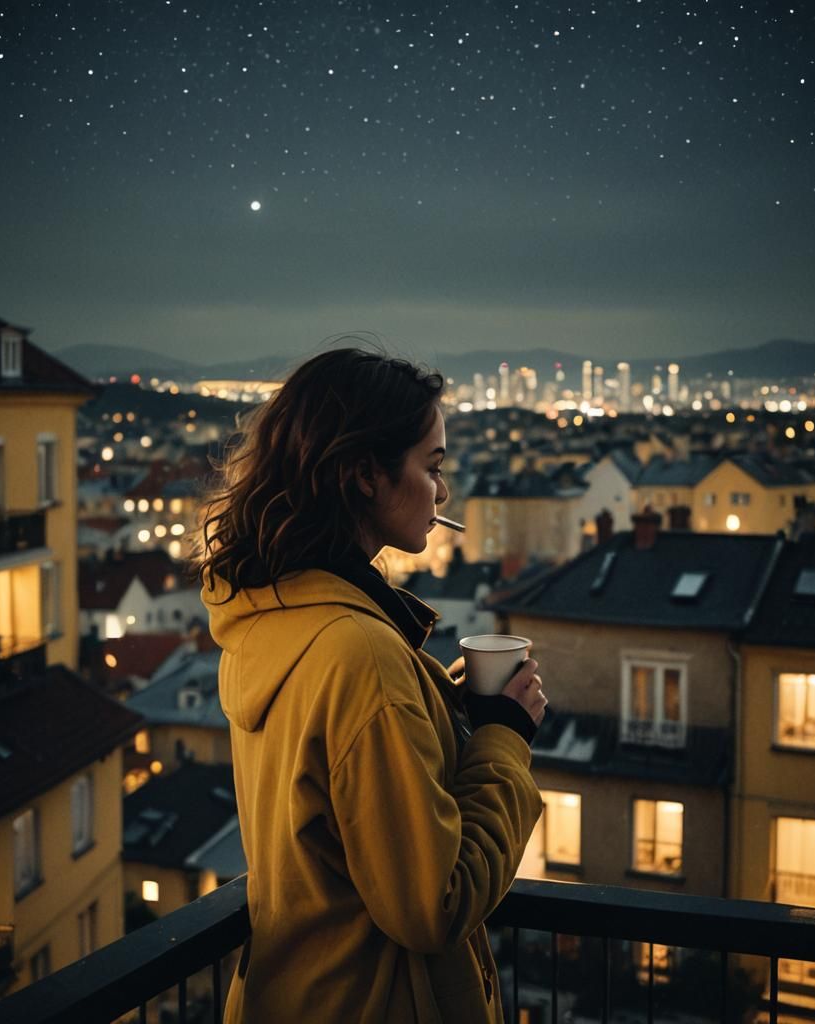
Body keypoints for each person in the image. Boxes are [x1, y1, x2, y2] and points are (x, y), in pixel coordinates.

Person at [199, 347, 546, 1023]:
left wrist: (444, 706)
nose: (442, 493)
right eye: (432, 467)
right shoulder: (360, 653)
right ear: (365, 473)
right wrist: (504, 741)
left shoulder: (271, 617)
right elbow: (432, 903)